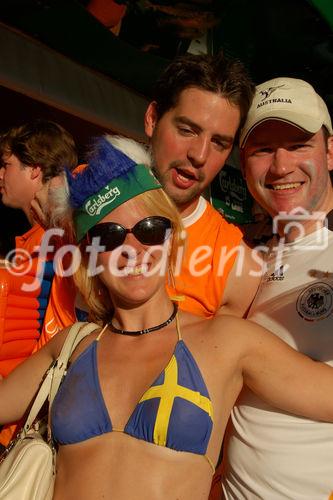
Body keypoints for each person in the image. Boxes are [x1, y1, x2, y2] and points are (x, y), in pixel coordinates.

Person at [2, 135, 333, 500]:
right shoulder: (71, 346)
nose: (133, 250)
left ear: (172, 238)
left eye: (150, 229)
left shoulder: (226, 342)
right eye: (110, 237)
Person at [222, 77, 333, 499]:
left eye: (298, 144)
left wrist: (243, 349)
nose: (281, 165)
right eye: (263, 149)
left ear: (330, 151)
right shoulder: (248, 257)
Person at [144, 52, 261, 318]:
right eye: (187, 130)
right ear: (152, 119)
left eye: (219, 143)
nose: (199, 155)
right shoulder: (83, 195)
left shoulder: (237, 266)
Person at [0, 119, 78, 447]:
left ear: (35, 169)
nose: (0, 175)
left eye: (6, 165)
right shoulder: (34, 240)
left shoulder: (68, 237)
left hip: (30, 425)